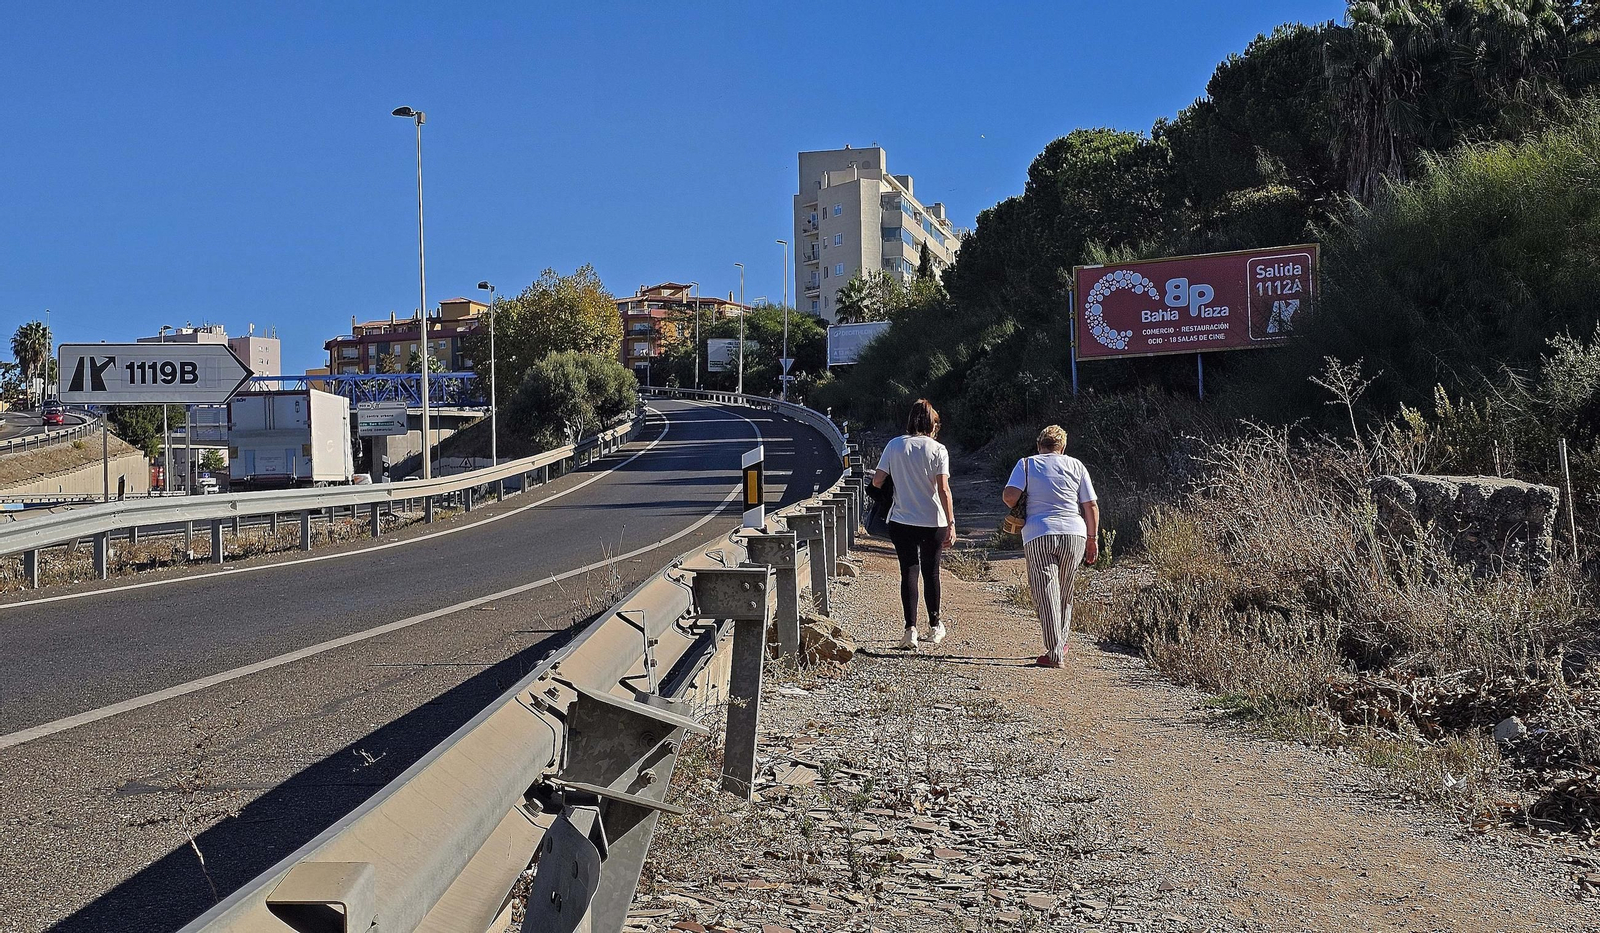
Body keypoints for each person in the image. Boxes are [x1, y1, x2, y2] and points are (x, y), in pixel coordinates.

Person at [1002, 425, 1099, 668]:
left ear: (1039, 445)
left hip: (1038, 532)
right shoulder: (1077, 466)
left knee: (1046, 592)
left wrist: (1024, 497)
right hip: (1074, 534)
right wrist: (1092, 538)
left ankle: (1055, 652)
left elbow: (1010, 496)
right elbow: (1091, 506)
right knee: (1065, 592)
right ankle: (1061, 642)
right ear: (1063, 447)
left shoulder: (1026, 464)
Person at [872, 399, 955, 650]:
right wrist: (951, 522)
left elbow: (877, 481)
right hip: (933, 520)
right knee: (931, 572)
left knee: (908, 571)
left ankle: (910, 630)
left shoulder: (894, 445)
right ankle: (935, 625)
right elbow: (943, 489)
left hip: (902, 519)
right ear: (933, 424)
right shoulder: (938, 450)